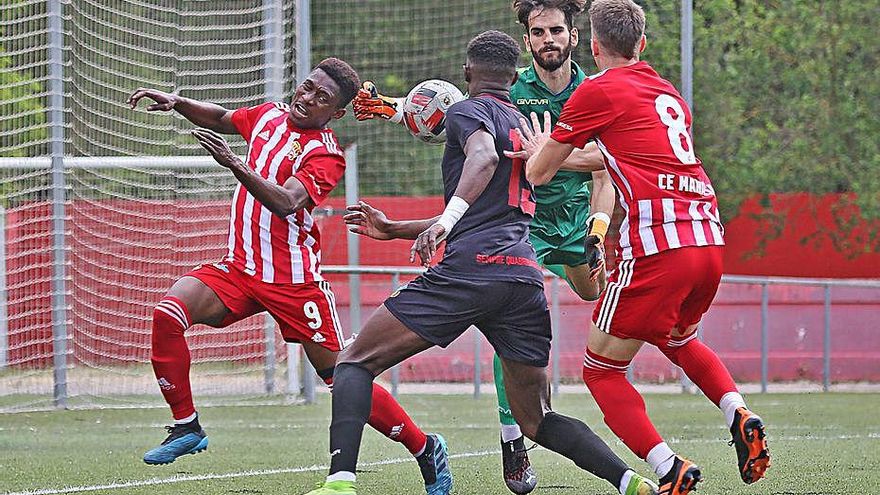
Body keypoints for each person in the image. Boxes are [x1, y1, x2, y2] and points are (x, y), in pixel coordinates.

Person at [304, 30, 658, 495]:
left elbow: (483, 159)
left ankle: (341, 483)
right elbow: (489, 206)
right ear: (515, 78)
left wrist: (446, 222)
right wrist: (395, 229)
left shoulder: (466, 111)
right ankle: (630, 481)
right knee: (537, 418)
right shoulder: (528, 129)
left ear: (467, 73)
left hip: (471, 271)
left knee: (353, 362)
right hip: (522, 277)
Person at [126, 58, 451, 495]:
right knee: (168, 313)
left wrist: (236, 166)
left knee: (343, 376)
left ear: (335, 113)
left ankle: (424, 447)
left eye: (322, 98)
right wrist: (178, 102)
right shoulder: (267, 115)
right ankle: (186, 426)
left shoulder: (325, 153)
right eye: (307, 87)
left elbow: (286, 202)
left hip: (294, 282)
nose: (308, 98)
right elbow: (224, 118)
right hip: (239, 269)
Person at [518, 1, 771, 494]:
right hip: (709, 239)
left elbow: (538, 172)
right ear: (643, 45)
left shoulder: (596, 91)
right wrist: (574, 157)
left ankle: (668, 467)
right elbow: (609, 155)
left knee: (601, 372)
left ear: (591, 47)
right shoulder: (665, 92)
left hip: (658, 247)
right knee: (677, 339)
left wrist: (538, 150)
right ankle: (737, 410)